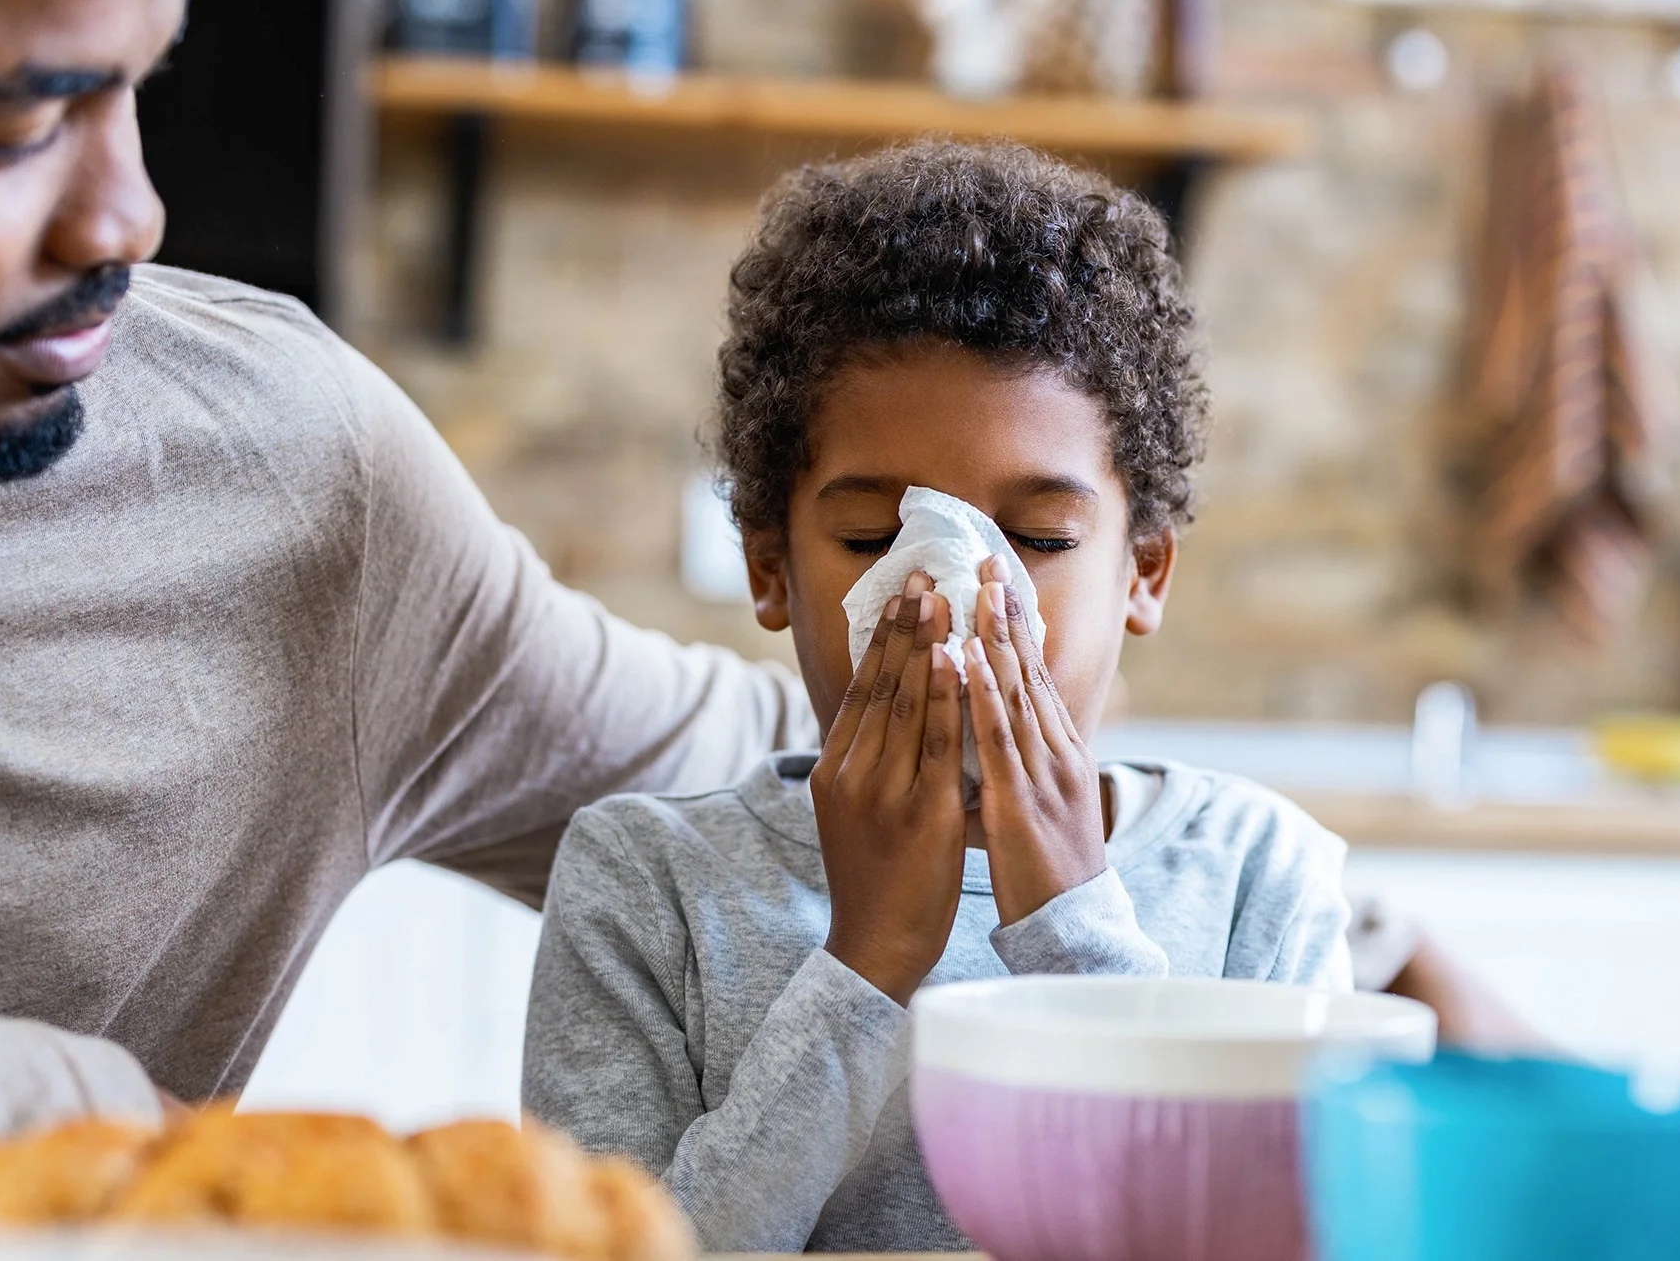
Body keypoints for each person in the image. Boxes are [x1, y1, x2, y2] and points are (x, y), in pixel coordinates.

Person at [0, 0, 810, 1207]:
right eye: (14, 128)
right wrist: (67, 1111)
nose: (127, 217)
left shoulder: (286, 487)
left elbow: (795, 809)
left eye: (134, 86)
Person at [522, 141, 1354, 1254]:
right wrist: (864, 966)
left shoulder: (1259, 881)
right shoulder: (644, 887)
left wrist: (1077, 937)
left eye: (1040, 539)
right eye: (873, 537)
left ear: (1142, 573)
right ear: (770, 566)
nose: (957, 604)